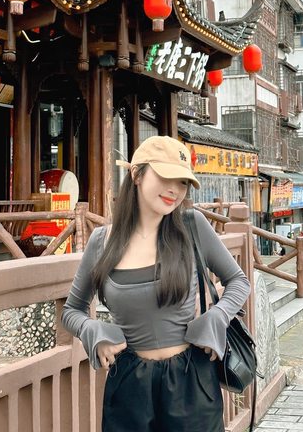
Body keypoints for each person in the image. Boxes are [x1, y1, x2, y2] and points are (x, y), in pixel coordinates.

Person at [62, 135, 251, 431]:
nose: (175, 190)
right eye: (166, 177)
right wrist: (91, 329)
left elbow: (238, 281)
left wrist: (217, 316)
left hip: (191, 381)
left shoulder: (192, 226)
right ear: (137, 174)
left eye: (183, 182)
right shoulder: (101, 242)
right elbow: (72, 309)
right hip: (129, 384)